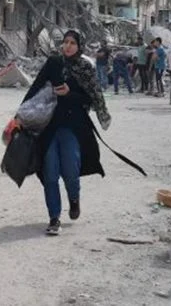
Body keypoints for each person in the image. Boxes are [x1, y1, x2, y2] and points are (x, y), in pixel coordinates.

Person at [21, 31, 113, 236]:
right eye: (65, 42)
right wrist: (20, 116)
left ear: (79, 46)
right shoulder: (54, 63)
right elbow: (35, 88)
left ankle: (74, 198)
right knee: (50, 173)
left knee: (71, 170)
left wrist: (69, 93)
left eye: (73, 43)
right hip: (49, 126)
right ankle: (54, 218)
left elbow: (90, 98)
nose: (68, 46)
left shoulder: (85, 67)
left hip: (73, 127)